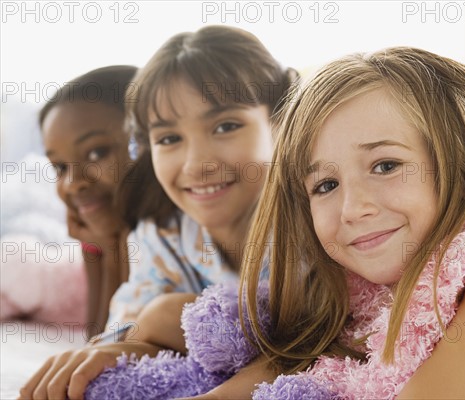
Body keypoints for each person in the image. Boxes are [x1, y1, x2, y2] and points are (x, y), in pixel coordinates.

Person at [227, 46, 465, 399]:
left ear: (462, 162)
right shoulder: (364, 284)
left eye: (386, 165)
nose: (353, 209)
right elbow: (307, 354)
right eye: (326, 185)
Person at [19, 25, 297, 400]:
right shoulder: (164, 232)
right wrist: (108, 351)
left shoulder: (310, 225)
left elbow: (316, 343)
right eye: (169, 139)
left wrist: (165, 318)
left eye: (226, 125)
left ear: (279, 122)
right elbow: (128, 328)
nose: (197, 164)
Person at [39, 65, 137, 332]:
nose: (73, 183)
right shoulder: (97, 234)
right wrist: (109, 249)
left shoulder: (169, 232)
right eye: (60, 167)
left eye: (96, 153)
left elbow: (129, 340)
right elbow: (98, 338)